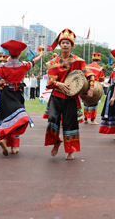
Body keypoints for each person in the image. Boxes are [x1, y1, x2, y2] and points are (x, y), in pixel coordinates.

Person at [0, 41, 44, 156]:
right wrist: (40, 55)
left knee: (8, 120)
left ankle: (10, 144)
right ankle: (10, 144)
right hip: (17, 95)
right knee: (21, 119)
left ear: (9, 54)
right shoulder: (23, 65)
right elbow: (33, 62)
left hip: (5, 95)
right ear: (19, 54)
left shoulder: (2, 66)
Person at [44, 29, 94, 160]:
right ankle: (56, 142)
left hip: (71, 98)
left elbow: (90, 74)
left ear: (72, 45)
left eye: (68, 43)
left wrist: (91, 89)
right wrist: (59, 84)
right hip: (56, 97)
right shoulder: (53, 62)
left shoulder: (78, 61)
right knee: (52, 121)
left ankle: (70, 152)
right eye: (63, 42)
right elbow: (50, 81)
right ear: (60, 45)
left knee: (70, 124)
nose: (65, 45)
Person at [84, 52, 105, 125]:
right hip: (95, 85)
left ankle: (85, 119)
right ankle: (92, 120)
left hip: (86, 85)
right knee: (94, 102)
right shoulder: (100, 68)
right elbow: (101, 80)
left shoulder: (86, 66)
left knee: (86, 101)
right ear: (99, 60)